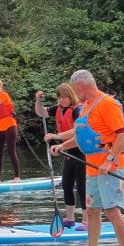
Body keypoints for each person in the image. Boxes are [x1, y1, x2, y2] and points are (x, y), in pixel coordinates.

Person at [51, 69, 124, 246]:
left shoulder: (107, 104)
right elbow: (82, 137)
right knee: (93, 211)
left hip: (110, 167)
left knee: (112, 212)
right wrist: (63, 146)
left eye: (74, 88)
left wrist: (109, 160)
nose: (73, 92)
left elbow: (123, 136)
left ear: (80, 85)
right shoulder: (86, 106)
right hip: (92, 168)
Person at [35, 83, 87, 229]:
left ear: (70, 96)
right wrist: (38, 101)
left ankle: (86, 220)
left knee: (82, 187)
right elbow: (41, 113)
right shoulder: (58, 109)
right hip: (69, 151)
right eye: (59, 97)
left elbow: (76, 131)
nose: (61, 100)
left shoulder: (78, 110)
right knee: (67, 184)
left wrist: (56, 136)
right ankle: (70, 218)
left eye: (64, 97)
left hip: (82, 151)